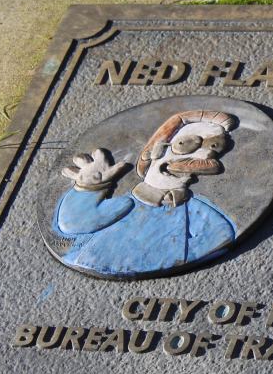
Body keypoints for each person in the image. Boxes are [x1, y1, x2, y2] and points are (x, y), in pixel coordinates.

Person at [52, 109, 238, 277]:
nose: (198, 159)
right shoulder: (123, 205)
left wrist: (175, 257)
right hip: (94, 262)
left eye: (212, 150)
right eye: (184, 145)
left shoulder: (195, 211)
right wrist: (89, 187)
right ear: (155, 152)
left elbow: (220, 236)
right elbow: (74, 223)